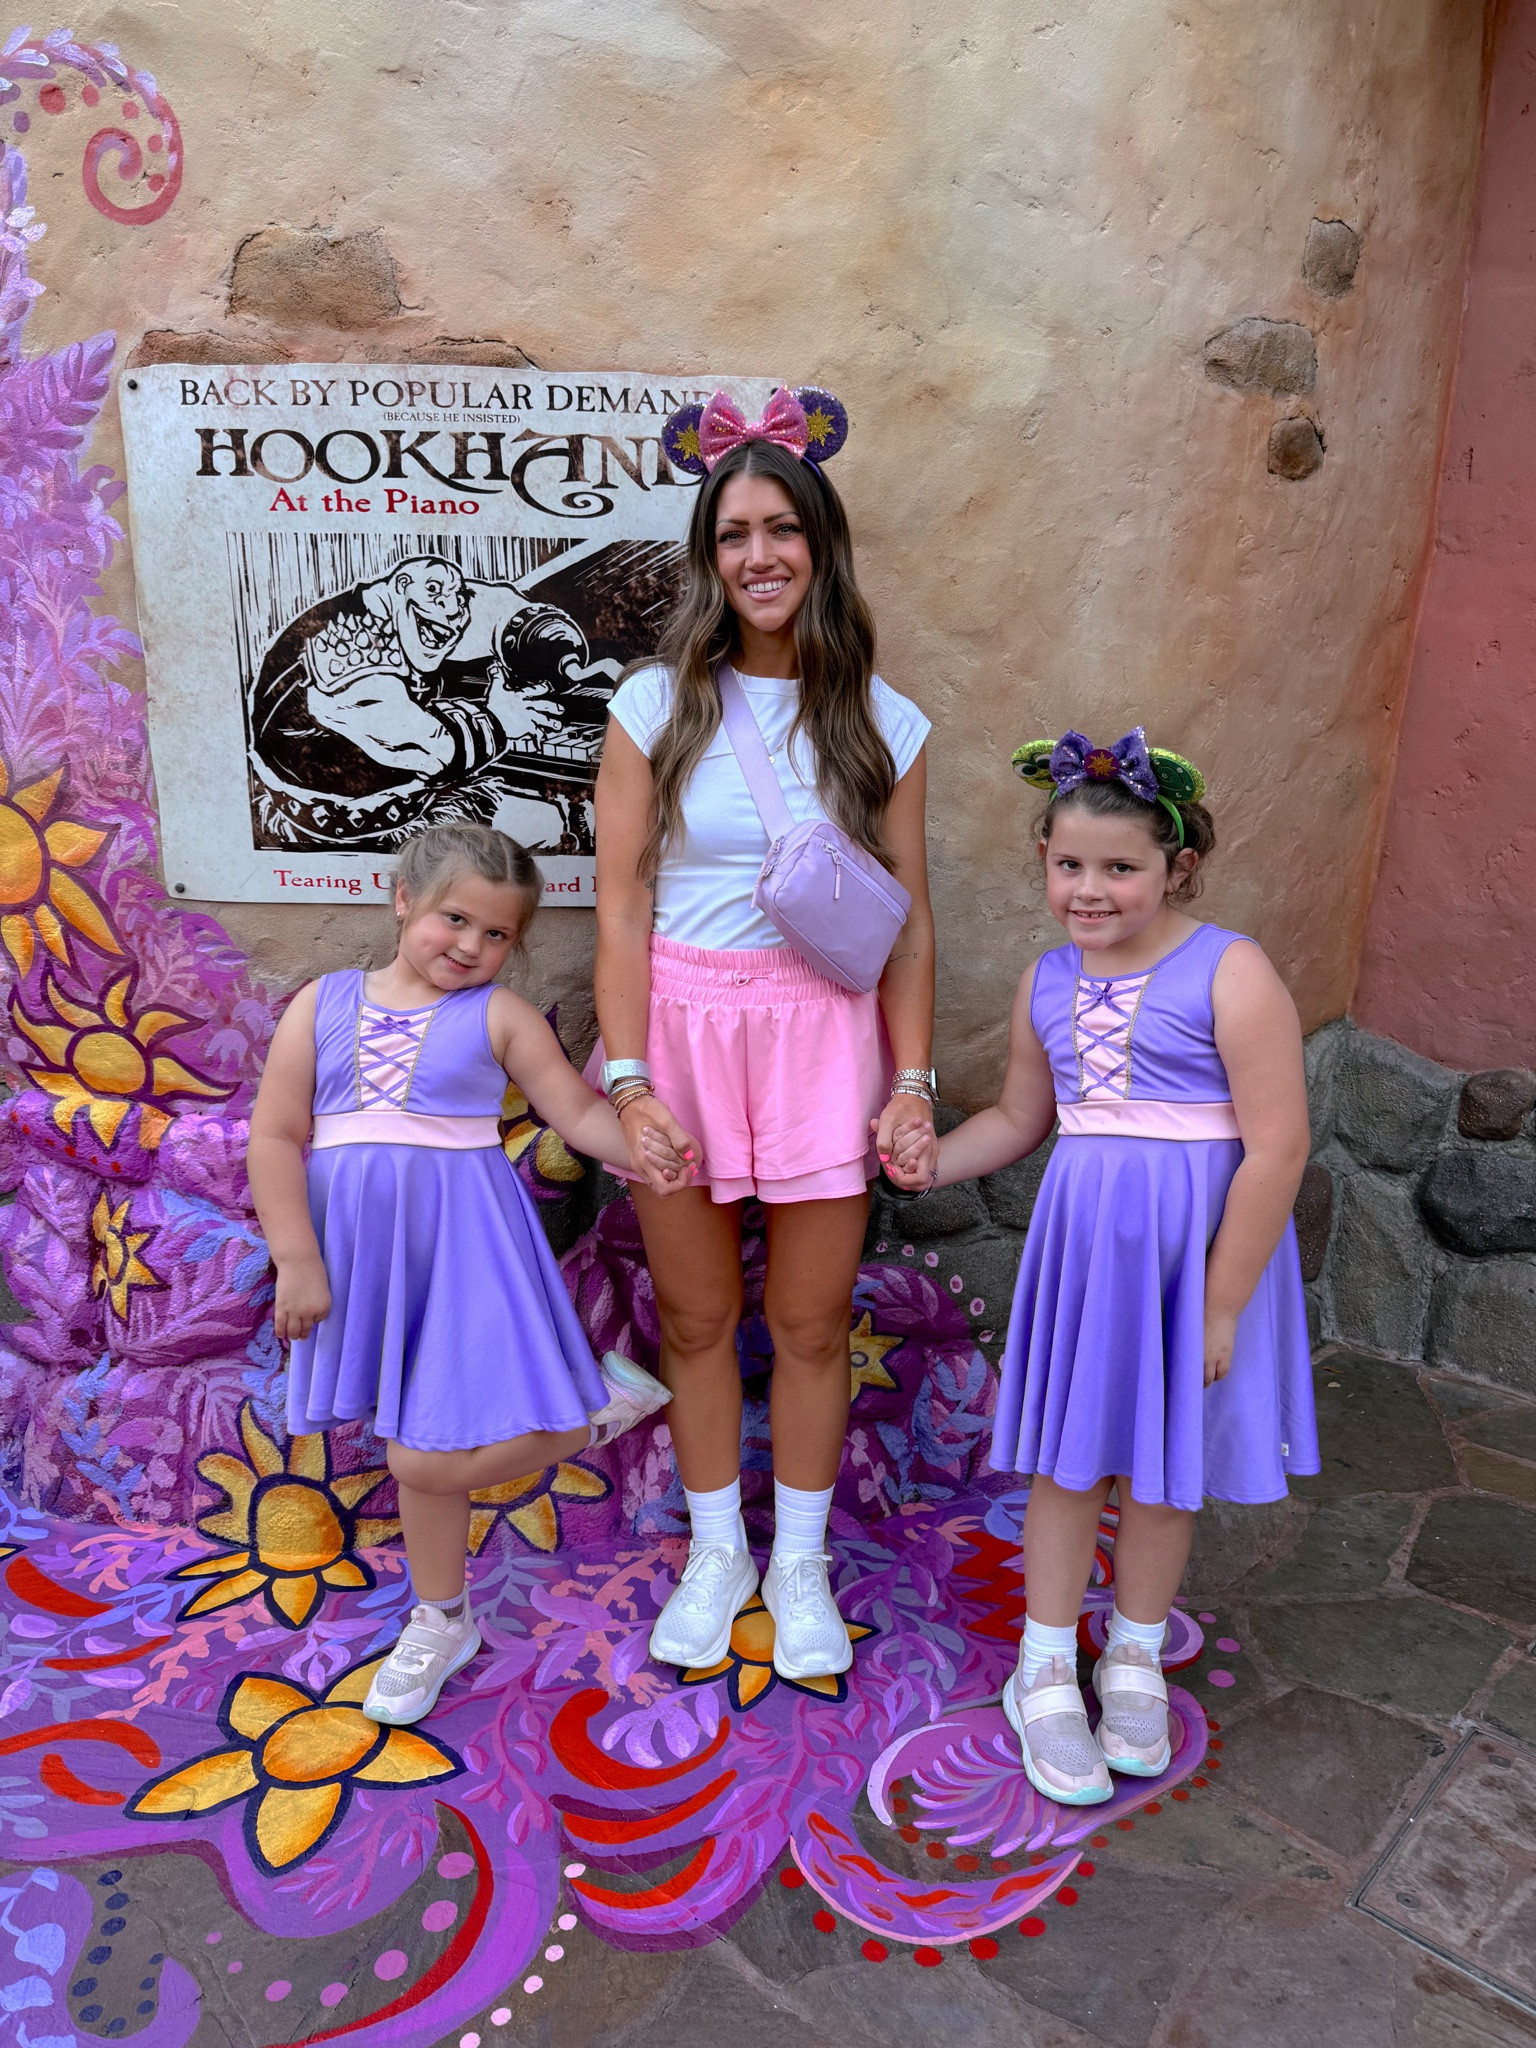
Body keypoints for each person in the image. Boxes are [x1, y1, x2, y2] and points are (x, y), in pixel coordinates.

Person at [891, 729, 1316, 1803]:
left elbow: (1278, 1148)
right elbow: (1021, 1118)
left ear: (1178, 866)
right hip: (1088, 1256)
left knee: (1163, 1465)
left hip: (1191, 1263)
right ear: (1044, 857)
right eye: (1069, 863)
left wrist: (1220, 1302)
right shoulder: (1048, 979)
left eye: (1121, 867)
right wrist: (934, 1158)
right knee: (1070, 1461)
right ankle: (1042, 1665)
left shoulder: (1231, 969)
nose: (1090, 888)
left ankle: (1133, 1653)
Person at [592, 386, 937, 1684]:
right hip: (681, 1034)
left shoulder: (884, 722)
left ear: (821, 543)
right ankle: (715, 1550)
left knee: (809, 1320)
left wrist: (914, 1081)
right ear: (708, 555)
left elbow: (908, 923)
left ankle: (798, 1561)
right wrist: (630, 1080)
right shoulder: (652, 707)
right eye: (733, 533)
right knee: (694, 1317)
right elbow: (619, 911)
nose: (759, 555)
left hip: (821, 1041)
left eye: (781, 528)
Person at [247, 822, 690, 1726]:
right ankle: (441, 1618)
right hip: (361, 1258)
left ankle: (591, 1414)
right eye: (454, 918)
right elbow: (275, 1135)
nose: (471, 945)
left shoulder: (500, 1016)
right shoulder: (321, 1003)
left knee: (420, 1453)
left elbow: (575, 1113)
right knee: (416, 1449)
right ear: (402, 898)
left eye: (496, 934)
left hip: (465, 1251)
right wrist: (297, 1257)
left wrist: (642, 1147)